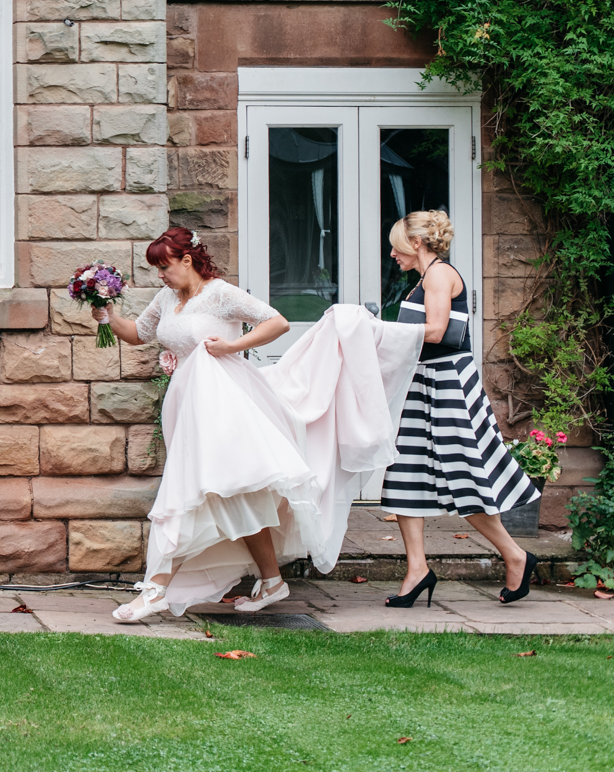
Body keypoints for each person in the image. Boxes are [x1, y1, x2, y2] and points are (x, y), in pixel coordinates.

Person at [94, 228, 425, 622]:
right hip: (187, 406)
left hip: (224, 406)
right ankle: (272, 581)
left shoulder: (220, 294)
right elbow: (138, 334)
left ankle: (155, 590)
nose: (160, 275)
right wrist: (108, 315)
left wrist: (231, 347)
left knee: (189, 490)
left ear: (187, 260)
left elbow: (277, 323)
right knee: (235, 493)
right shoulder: (167, 298)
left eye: (164, 267)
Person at [380, 211, 538, 607]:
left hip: (448, 382)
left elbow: (436, 331)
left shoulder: (438, 275)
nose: (393, 254)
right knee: (404, 473)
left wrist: (379, 331)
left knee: (465, 478)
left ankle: (516, 556)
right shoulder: (423, 280)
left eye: (397, 246)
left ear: (416, 243)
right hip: (424, 382)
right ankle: (417, 569)